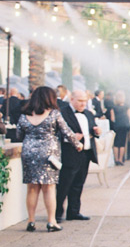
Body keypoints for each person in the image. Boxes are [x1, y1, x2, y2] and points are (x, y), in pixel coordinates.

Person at [17, 86, 82, 232]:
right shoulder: (54, 114)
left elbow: (19, 134)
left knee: (32, 188)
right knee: (49, 187)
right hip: (49, 154)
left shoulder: (24, 115)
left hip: (29, 153)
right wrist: (78, 145)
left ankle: (31, 221)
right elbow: (67, 132)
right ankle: (51, 221)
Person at [56, 90, 100, 222]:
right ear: (72, 99)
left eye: (85, 101)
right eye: (80, 101)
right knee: (64, 184)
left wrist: (96, 131)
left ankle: (74, 211)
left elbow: (92, 129)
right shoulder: (63, 113)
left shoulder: (88, 113)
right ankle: (57, 213)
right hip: (70, 152)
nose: (83, 104)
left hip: (86, 153)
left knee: (79, 183)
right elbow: (57, 132)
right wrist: (71, 138)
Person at [110, 91, 130, 165]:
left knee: (116, 143)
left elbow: (112, 119)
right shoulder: (126, 107)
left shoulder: (113, 107)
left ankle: (116, 159)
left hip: (117, 125)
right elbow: (129, 116)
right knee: (122, 143)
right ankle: (121, 159)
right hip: (124, 125)